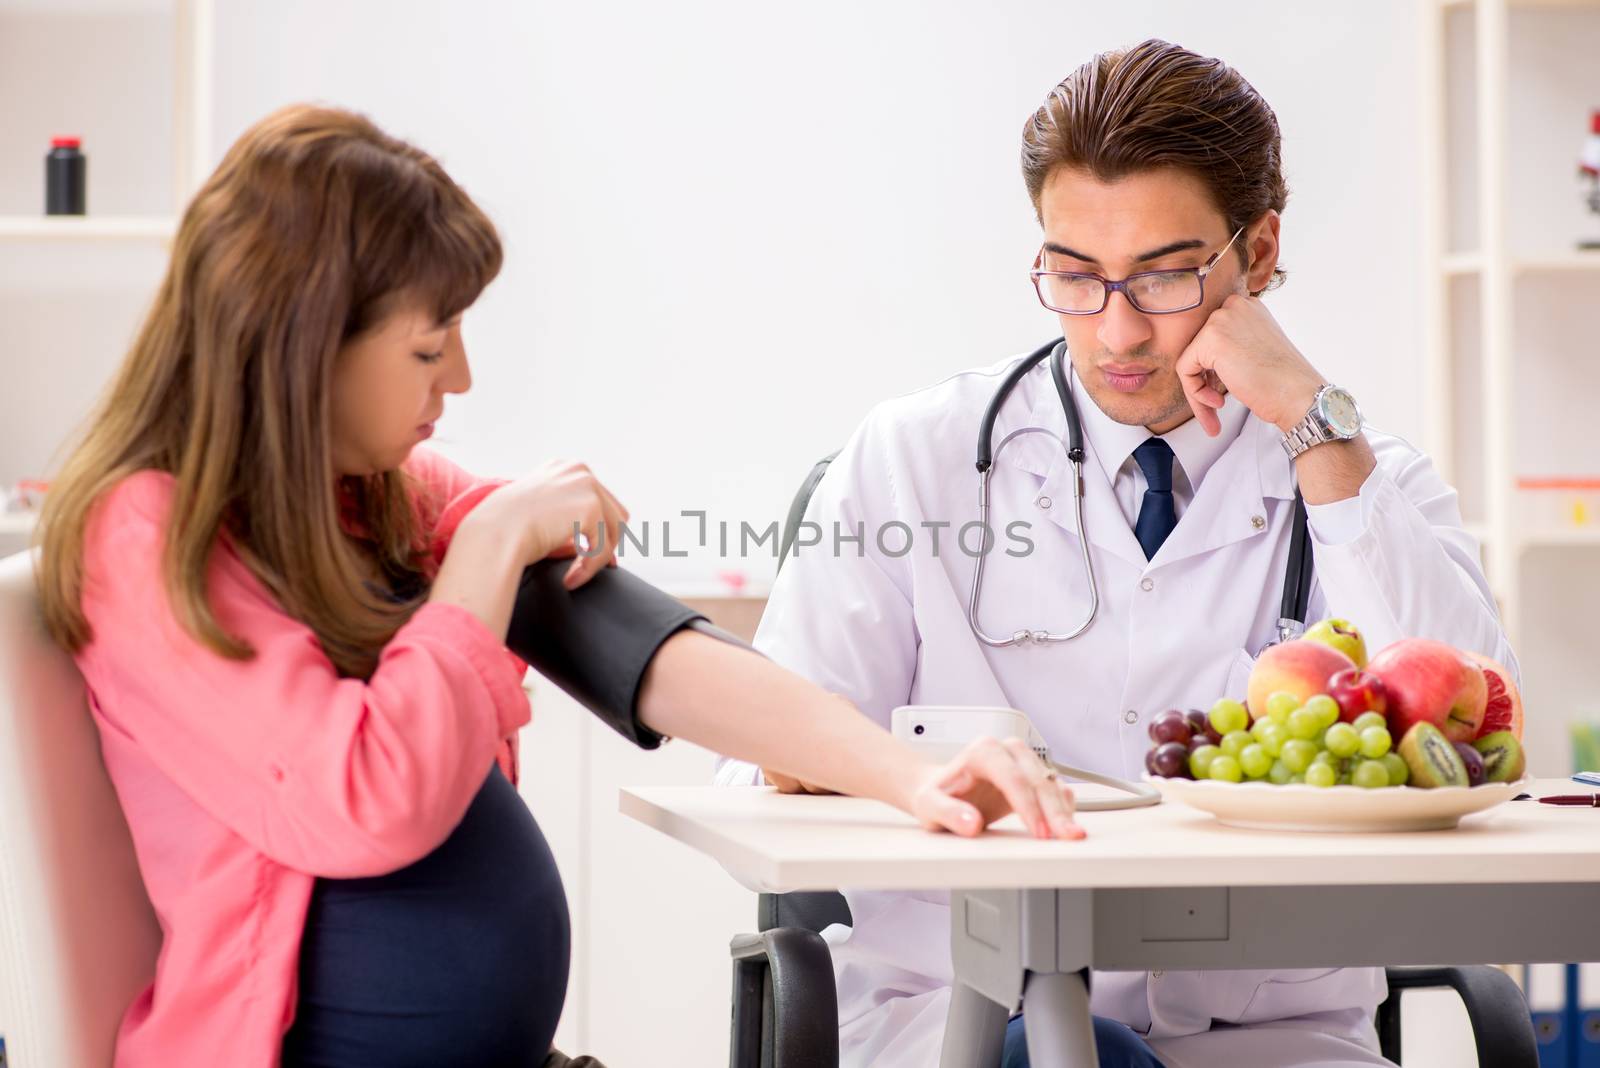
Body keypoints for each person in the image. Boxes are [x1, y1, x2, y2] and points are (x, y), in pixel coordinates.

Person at [30, 104, 1083, 1068]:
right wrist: (486, 548)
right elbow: (362, 802)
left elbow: (642, 651)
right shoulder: (147, 539)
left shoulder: (370, 499)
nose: (461, 380)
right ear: (301, 348)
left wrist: (903, 776)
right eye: (429, 345)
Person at [714, 38, 1519, 1068]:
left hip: (1272, 1038)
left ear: (1258, 254)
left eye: (1166, 276)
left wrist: (1316, 428)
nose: (1116, 331)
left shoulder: (1369, 480)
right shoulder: (913, 462)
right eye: (1074, 276)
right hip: (958, 1024)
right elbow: (765, 758)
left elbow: (1479, 733)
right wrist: (858, 765)